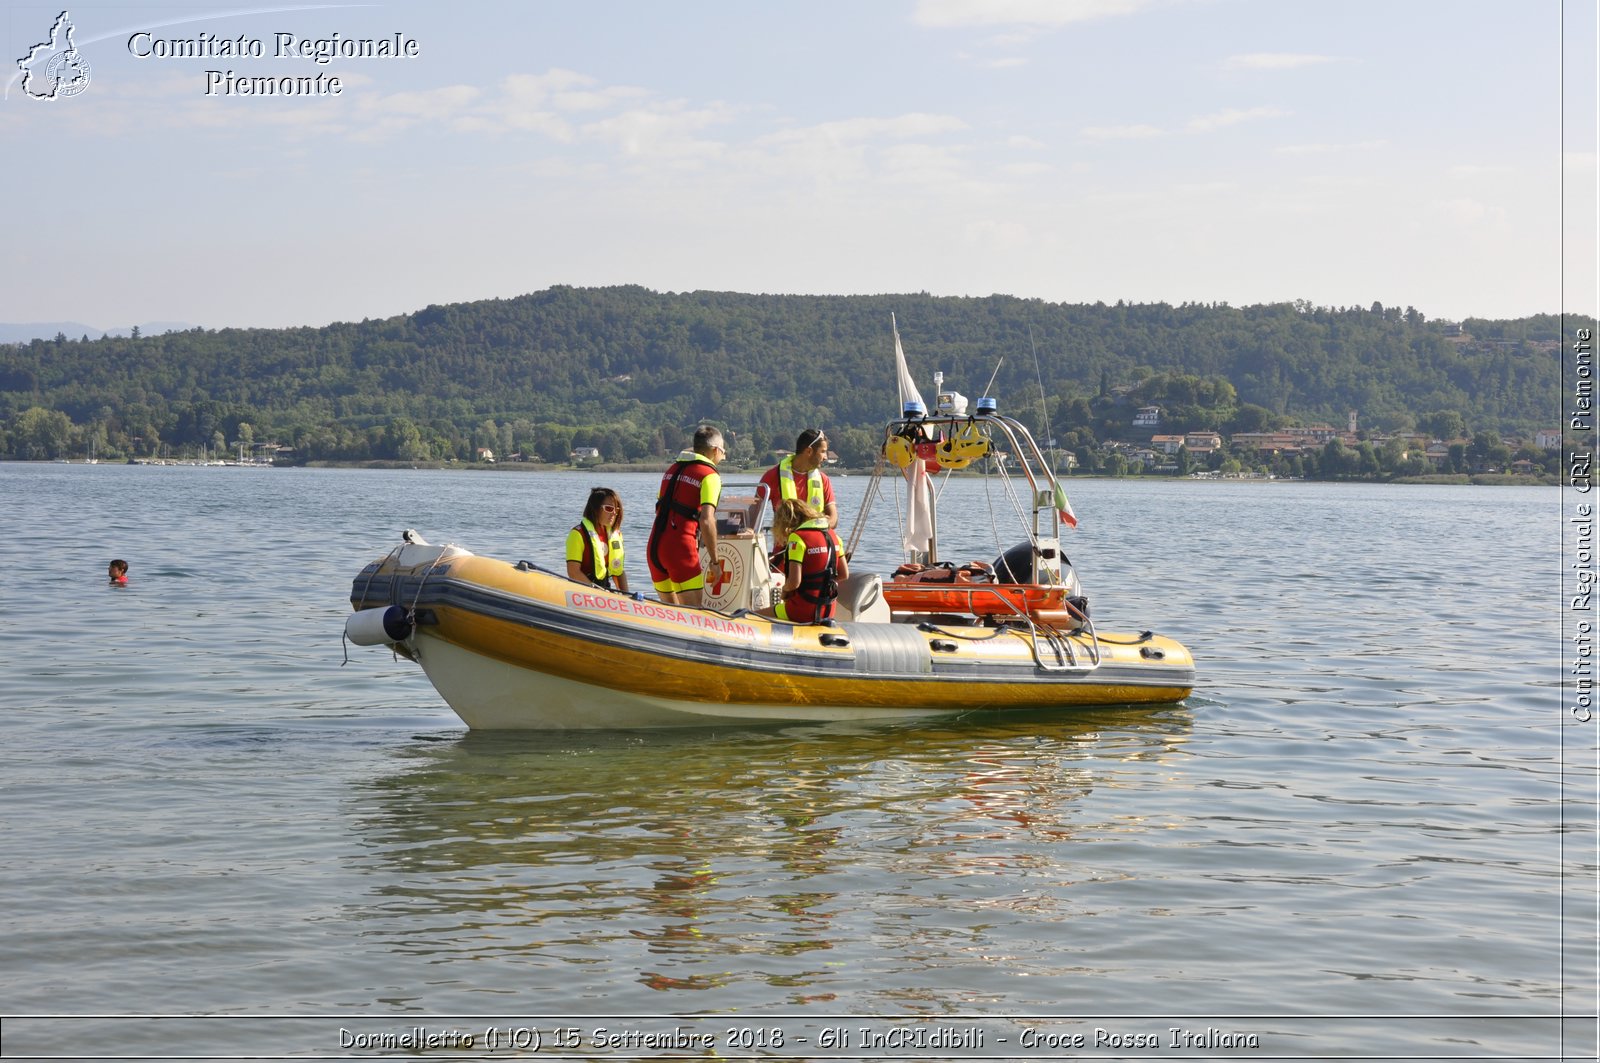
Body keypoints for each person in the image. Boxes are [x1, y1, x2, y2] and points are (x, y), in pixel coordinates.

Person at [646, 425, 724, 606]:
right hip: (680, 551)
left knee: (671, 616)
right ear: (714, 450)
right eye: (723, 451)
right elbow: (707, 520)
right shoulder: (710, 476)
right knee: (693, 616)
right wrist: (714, 561)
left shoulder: (671, 470)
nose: (724, 455)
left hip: (654, 547)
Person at [765, 498, 849, 623]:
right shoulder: (834, 536)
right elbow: (844, 574)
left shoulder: (797, 538)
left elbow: (794, 582)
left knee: (749, 616)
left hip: (802, 611)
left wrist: (784, 591)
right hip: (828, 611)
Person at [758, 427, 837, 529]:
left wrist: (822, 524)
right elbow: (754, 511)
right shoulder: (772, 476)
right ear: (809, 451)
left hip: (815, 543)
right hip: (786, 544)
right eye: (822, 451)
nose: (825, 457)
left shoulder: (823, 480)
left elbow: (833, 519)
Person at [565, 487, 630, 594]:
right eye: (609, 508)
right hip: (582, 591)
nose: (614, 513)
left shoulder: (616, 535)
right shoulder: (577, 534)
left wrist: (627, 596)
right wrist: (597, 593)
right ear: (595, 509)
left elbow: (618, 572)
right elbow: (573, 572)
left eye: (617, 509)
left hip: (604, 590)